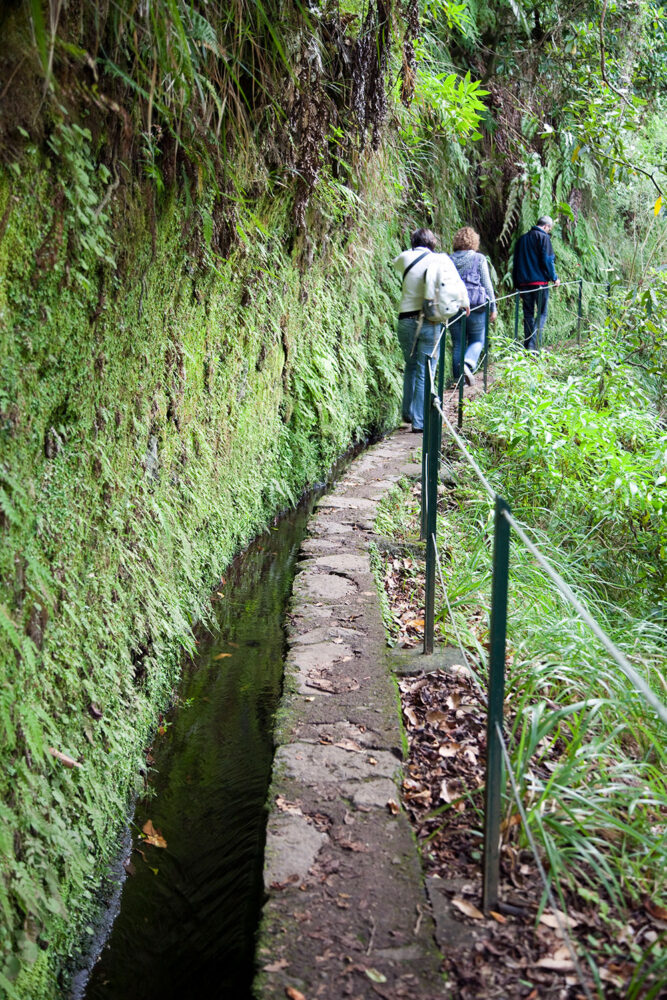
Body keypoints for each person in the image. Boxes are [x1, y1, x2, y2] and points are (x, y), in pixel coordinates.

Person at [393, 229, 469, 432]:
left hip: (405, 321)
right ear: (433, 243)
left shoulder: (403, 257)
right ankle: (419, 422)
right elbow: (456, 284)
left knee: (410, 366)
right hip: (430, 321)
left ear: (413, 242)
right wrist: (464, 303)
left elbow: (397, 267)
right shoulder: (441, 260)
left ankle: (407, 414)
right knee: (425, 371)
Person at [449, 227, 497, 386]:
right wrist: (493, 307)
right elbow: (487, 284)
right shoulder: (479, 258)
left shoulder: (449, 260)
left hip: (455, 305)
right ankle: (468, 364)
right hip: (476, 306)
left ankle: (458, 380)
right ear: (474, 241)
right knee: (477, 339)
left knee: (458, 343)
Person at [512, 215, 561, 351]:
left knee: (528, 313)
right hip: (539, 283)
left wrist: (517, 285)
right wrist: (554, 278)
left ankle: (528, 345)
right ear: (546, 226)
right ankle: (533, 346)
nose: (548, 232)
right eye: (549, 229)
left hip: (523, 284)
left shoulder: (522, 240)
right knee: (541, 313)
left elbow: (515, 263)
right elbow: (548, 260)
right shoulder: (543, 238)